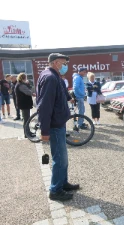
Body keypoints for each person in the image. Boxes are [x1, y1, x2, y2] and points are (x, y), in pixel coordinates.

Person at [36, 53, 79, 201]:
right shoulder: (50, 78)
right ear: (55, 63)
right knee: (60, 159)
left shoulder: (54, 76)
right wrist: (45, 130)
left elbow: (61, 91)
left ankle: (62, 183)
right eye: (63, 63)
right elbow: (44, 106)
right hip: (54, 126)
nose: (65, 66)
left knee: (63, 158)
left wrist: (69, 98)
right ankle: (55, 190)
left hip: (59, 123)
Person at [15, 73, 36, 138]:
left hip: (24, 104)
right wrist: (33, 93)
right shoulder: (21, 85)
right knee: (26, 119)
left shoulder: (20, 84)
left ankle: (28, 132)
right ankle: (27, 134)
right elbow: (28, 92)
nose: (26, 79)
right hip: (24, 104)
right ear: (23, 78)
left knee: (27, 119)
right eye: (26, 77)